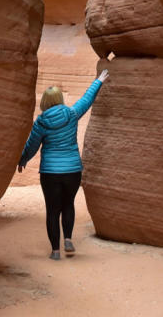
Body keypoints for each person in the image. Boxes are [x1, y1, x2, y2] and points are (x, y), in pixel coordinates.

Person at [17, 69, 109, 260]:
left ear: (45, 101)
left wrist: (23, 159)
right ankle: (67, 239)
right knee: (68, 204)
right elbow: (86, 100)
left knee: (53, 210)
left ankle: (55, 251)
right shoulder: (72, 114)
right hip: (73, 170)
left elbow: (32, 145)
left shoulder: (41, 123)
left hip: (50, 172)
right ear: (59, 99)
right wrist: (98, 81)